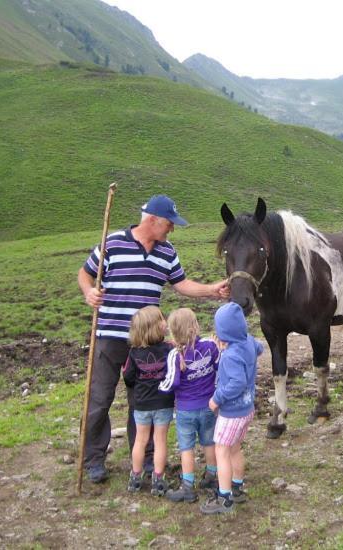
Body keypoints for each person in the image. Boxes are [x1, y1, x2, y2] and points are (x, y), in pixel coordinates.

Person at [77, 194, 228, 484]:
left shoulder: (167, 252)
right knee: (99, 399)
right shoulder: (114, 243)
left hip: (147, 343)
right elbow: (85, 274)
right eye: (170, 224)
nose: (172, 229)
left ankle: (146, 459)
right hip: (110, 337)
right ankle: (93, 459)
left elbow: (181, 284)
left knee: (144, 401)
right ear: (153, 220)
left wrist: (212, 290)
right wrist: (88, 292)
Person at [200, 302, 263, 515]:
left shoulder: (229, 356)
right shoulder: (248, 342)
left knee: (222, 451)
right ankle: (237, 486)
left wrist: (216, 399)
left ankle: (224, 497)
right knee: (235, 448)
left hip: (231, 413)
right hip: (247, 409)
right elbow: (259, 348)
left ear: (223, 333)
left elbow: (237, 383)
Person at [158, 308, 220, 503]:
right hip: (209, 405)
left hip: (186, 410)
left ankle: (187, 487)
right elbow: (219, 367)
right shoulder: (211, 346)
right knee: (209, 442)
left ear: (172, 332)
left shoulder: (174, 355)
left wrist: (160, 387)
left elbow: (171, 383)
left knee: (186, 448)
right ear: (196, 326)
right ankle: (211, 476)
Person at [121, 306, 173, 494]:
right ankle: (158, 479)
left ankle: (135, 477)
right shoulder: (169, 349)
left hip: (141, 404)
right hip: (163, 403)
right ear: (155, 327)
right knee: (160, 441)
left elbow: (127, 377)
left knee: (140, 440)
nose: (165, 322)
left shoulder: (133, 353)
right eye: (162, 319)